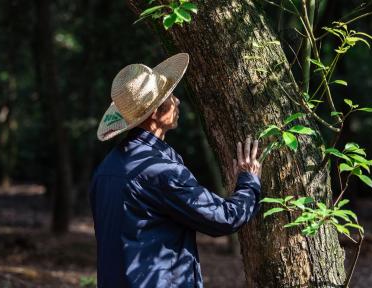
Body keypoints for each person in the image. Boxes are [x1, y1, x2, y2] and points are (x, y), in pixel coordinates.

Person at [90, 53, 262, 287]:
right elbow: (223, 218)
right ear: (153, 114)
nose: (177, 101)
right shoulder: (158, 170)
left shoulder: (107, 168)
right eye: (170, 96)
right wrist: (249, 181)